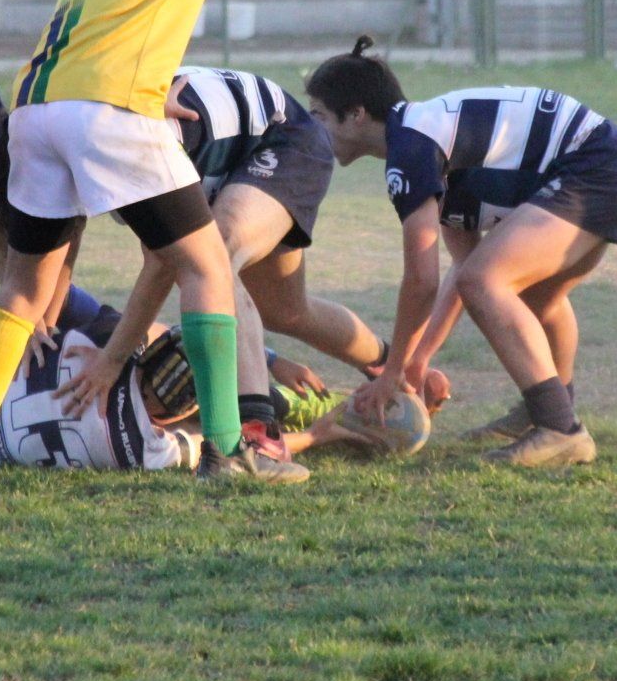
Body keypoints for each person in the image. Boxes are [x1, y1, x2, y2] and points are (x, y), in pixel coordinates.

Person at [0, 0, 424, 485]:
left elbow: (113, 17)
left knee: (24, 286)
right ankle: (227, 450)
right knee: (206, 268)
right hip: (111, 111)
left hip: (38, 106)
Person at [303, 38, 617, 469]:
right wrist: (416, 362)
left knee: (487, 282)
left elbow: (423, 280)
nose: (313, 129)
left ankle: (560, 429)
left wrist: (391, 372)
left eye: (319, 115)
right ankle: (545, 412)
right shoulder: (425, 141)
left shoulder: (411, 147)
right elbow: (461, 268)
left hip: (599, 167)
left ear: (356, 114)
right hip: (612, 164)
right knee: (536, 297)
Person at [50, 65, 386, 475]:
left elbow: (162, 262)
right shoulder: (67, 144)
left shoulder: (118, 146)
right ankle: (387, 364)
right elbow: (69, 245)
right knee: (285, 310)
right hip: (222, 148)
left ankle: (257, 441)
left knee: (213, 259)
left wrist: (113, 359)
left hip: (284, 137)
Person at [0, 313, 202, 472]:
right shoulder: (148, 449)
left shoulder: (103, 337)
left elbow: (142, 328)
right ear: (175, 415)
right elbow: (202, 444)